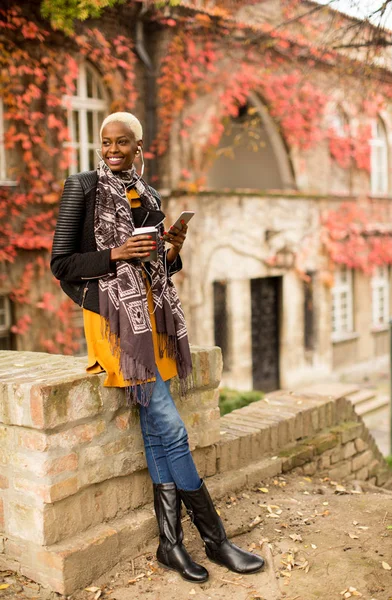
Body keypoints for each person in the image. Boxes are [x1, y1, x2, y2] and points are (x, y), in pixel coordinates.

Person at [51, 112, 264, 583]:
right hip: (113, 323)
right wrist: (114, 254)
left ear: (138, 145)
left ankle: (170, 545)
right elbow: (61, 263)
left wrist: (169, 250)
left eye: (122, 142)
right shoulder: (82, 187)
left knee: (154, 427)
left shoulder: (147, 195)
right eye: (106, 142)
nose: (112, 150)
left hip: (152, 318)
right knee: (171, 425)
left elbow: (156, 269)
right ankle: (216, 540)